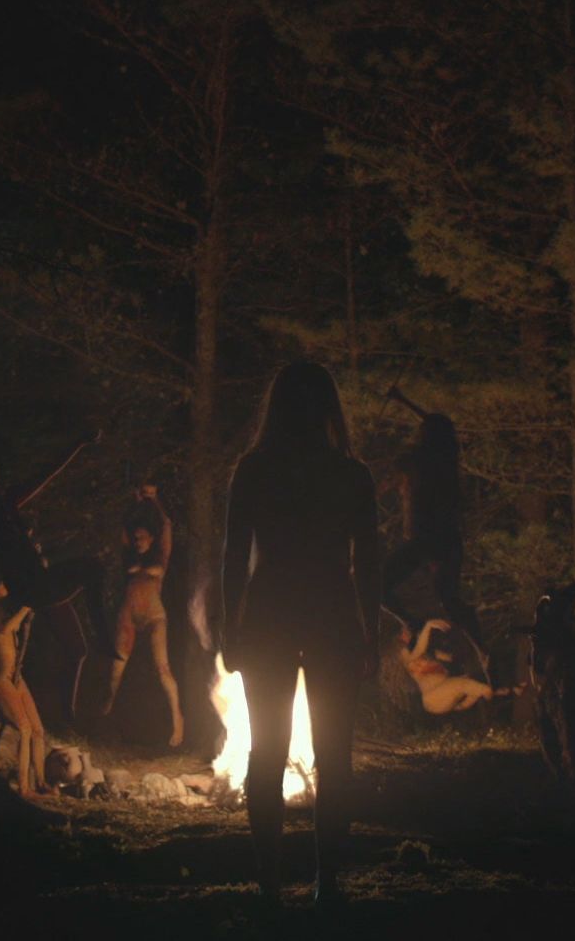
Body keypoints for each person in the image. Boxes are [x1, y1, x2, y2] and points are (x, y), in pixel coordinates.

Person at [221, 361, 382, 909]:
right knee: (334, 758)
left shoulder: (255, 469)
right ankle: (326, 883)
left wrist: (229, 624)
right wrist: (370, 630)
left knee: (267, 754)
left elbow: (234, 556)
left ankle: (271, 885)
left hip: (269, 615)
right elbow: (368, 561)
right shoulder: (350, 474)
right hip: (332, 616)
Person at [0, 430, 109, 725]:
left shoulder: (6, 503)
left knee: (77, 650)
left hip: (40, 580)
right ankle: (70, 710)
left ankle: (69, 716)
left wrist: (77, 444)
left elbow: (45, 474)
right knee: (91, 571)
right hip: (32, 586)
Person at [380, 386, 483, 652]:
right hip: (447, 539)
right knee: (449, 599)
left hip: (424, 540)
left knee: (378, 586)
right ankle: (482, 648)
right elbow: (438, 426)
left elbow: (389, 475)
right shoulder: (446, 456)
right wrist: (404, 401)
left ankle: (411, 622)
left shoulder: (414, 460)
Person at [99, 483, 184, 747]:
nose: (137, 542)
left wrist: (153, 500)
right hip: (129, 613)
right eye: (135, 538)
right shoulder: (128, 556)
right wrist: (134, 503)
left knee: (163, 669)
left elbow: (166, 524)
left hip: (154, 616)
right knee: (117, 666)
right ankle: (105, 711)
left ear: (151, 539)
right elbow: (123, 527)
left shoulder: (161, 556)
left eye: (141, 538)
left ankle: (178, 719)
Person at [0, 585, 49, 795]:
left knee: (38, 731)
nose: (3, 589)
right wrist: (26, 608)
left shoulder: (2, 615)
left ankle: (41, 782)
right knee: (24, 728)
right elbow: (7, 628)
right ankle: (24, 786)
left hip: (17, 677)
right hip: (2, 680)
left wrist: (27, 614)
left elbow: (14, 625)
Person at [400, 618, 513, 714]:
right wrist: (428, 626)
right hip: (433, 698)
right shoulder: (409, 660)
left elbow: (454, 658)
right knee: (472, 686)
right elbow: (418, 649)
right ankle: (489, 695)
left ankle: (496, 692)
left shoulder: (432, 654)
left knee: (471, 681)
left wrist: (480, 659)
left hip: (444, 695)